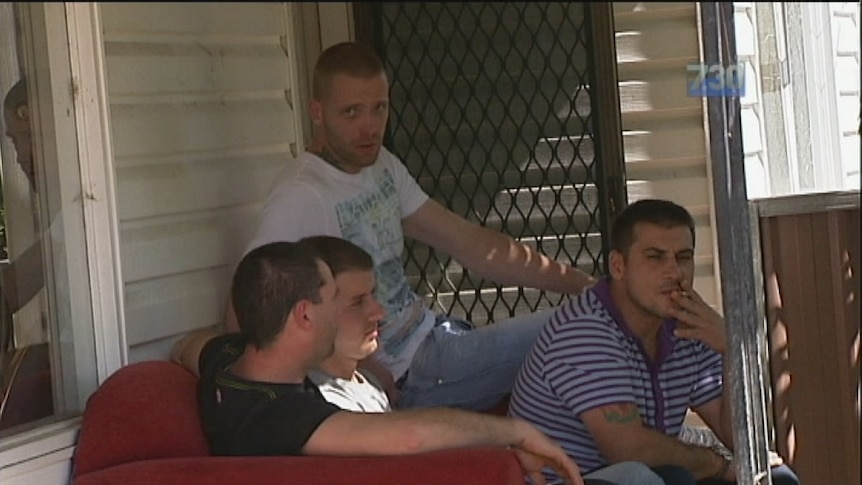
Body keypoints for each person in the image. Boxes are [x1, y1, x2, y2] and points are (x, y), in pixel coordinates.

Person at [229, 40, 597, 412]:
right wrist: (355, 369)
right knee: (583, 329)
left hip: (438, 337)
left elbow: (472, 244)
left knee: (591, 318)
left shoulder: (381, 165)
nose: (369, 127)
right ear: (317, 113)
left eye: (379, 109)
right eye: (351, 112)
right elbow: (245, 313)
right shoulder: (302, 195)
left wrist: (582, 285)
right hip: (407, 376)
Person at [187, 239, 599, 485]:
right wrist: (516, 431)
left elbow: (187, 346)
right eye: (335, 299)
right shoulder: (280, 414)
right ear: (305, 315)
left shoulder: (226, 361)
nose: (367, 311)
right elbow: (409, 437)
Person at [508, 199, 800, 485]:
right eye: (655, 257)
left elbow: (741, 439)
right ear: (618, 266)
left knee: (777, 480)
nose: (674, 272)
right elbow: (629, 450)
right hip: (571, 480)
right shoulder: (585, 330)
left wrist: (732, 352)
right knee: (672, 477)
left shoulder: (688, 324)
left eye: (683, 257)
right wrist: (717, 465)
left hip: (645, 475)